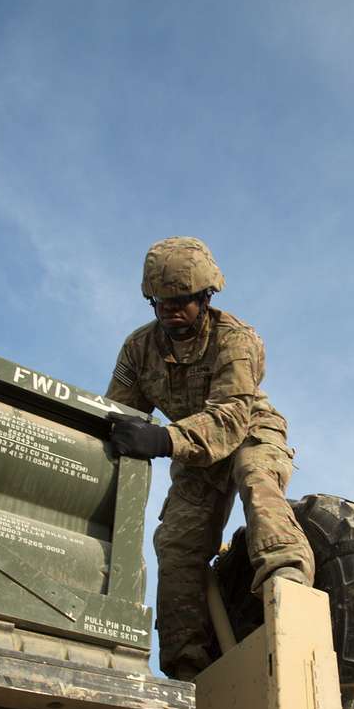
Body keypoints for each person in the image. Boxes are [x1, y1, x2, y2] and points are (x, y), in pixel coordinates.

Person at [106, 237, 315, 681]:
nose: (170, 311)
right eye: (161, 303)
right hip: (193, 452)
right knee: (176, 543)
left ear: (205, 298)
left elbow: (231, 417)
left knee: (256, 477)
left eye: (181, 301)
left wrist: (163, 439)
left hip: (248, 430)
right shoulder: (137, 350)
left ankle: (287, 583)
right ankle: (186, 668)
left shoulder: (236, 339)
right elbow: (119, 413)